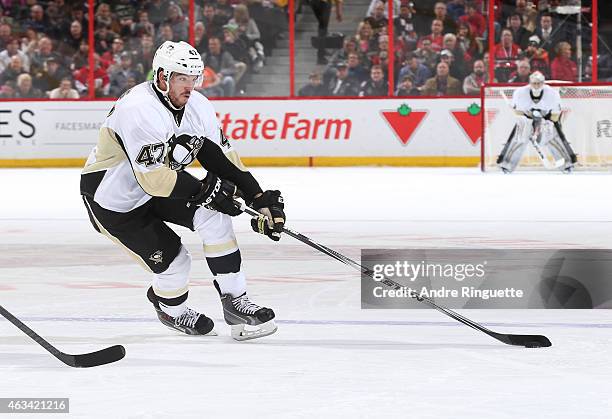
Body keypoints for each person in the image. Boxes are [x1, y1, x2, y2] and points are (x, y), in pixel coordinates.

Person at [80, 41, 285, 340]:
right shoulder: (138, 109)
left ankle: (235, 301)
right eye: (182, 79)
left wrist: (258, 198)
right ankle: (171, 310)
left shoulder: (198, 106)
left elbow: (222, 158)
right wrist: (207, 190)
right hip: (114, 202)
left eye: (194, 79)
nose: (190, 87)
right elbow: (155, 180)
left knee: (215, 217)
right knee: (176, 264)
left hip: (157, 189)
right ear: (162, 77)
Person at [497, 71, 575, 173]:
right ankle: (506, 165)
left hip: (546, 117)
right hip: (526, 117)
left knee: (551, 136)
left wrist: (544, 124)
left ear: (543, 83)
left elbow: (555, 116)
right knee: (520, 136)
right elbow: (517, 113)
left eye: (539, 83)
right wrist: (529, 122)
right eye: (534, 83)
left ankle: (566, 164)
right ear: (530, 83)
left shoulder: (552, 94)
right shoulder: (520, 93)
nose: (536, 85)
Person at [310, 0, 343, 65]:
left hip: (313, 2)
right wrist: (339, 13)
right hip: (324, 3)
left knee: (322, 28)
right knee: (322, 29)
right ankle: (320, 57)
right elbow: (339, 1)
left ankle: (322, 49)